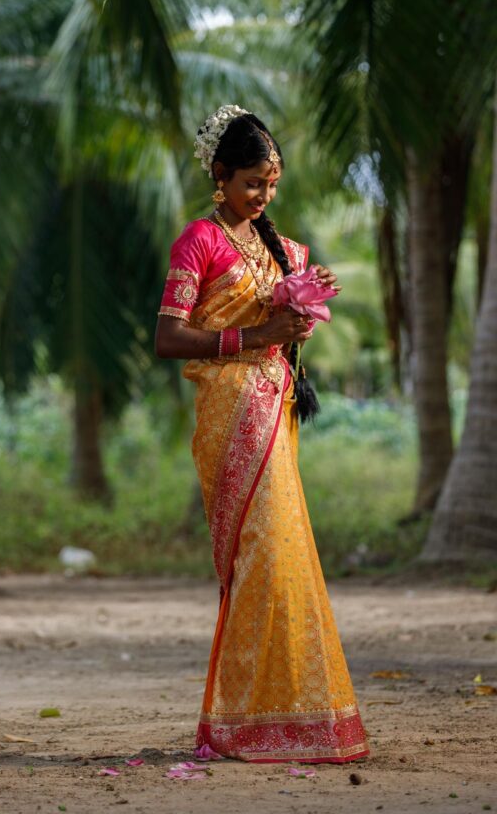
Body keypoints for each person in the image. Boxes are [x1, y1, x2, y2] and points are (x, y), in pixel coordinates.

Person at [155, 104, 370, 764]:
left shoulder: (287, 250)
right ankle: (244, 720)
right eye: (253, 182)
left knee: (286, 556)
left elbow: (288, 335)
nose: (264, 195)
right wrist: (254, 335)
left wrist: (303, 306)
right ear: (220, 176)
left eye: (272, 184)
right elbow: (168, 336)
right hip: (228, 416)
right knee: (256, 560)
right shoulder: (201, 239)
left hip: (274, 412)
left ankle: (297, 716)